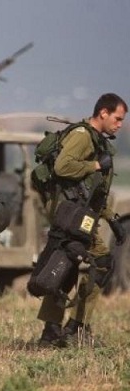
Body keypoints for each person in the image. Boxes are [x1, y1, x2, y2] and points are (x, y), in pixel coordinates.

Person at [35, 93, 126, 348]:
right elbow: (62, 167)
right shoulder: (83, 136)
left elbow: (92, 191)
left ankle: (52, 332)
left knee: (65, 266)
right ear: (103, 113)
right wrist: (95, 165)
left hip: (76, 213)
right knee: (101, 262)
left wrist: (111, 218)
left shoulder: (95, 139)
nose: (120, 124)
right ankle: (75, 327)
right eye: (117, 118)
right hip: (70, 216)